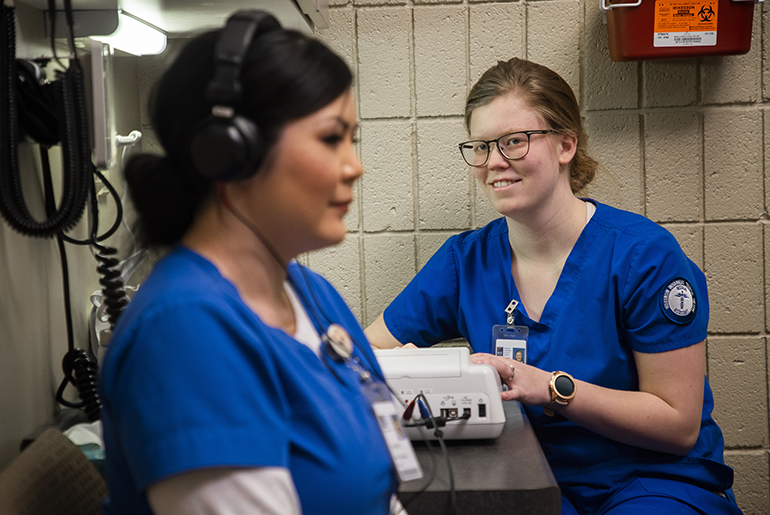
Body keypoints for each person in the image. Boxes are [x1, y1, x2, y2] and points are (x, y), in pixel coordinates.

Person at [365, 57, 743, 515]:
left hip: (650, 482)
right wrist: (409, 368)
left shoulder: (644, 256)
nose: (494, 162)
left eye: (515, 142)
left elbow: (678, 424)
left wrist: (550, 388)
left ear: (566, 144)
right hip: (525, 481)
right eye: (481, 147)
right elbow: (362, 358)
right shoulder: (464, 262)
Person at [99, 11, 402, 515]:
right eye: (331, 138)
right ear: (230, 153)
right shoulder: (184, 335)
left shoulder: (310, 293)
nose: (355, 166)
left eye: (354, 140)